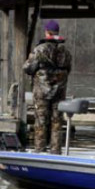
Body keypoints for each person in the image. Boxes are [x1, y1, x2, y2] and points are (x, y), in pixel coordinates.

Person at [22, 20, 72, 154]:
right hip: (59, 93)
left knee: (41, 122)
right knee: (57, 122)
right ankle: (56, 152)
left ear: (47, 32)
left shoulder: (39, 49)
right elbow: (68, 69)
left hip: (42, 93)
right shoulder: (65, 52)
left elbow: (28, 68)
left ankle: (39, 151)